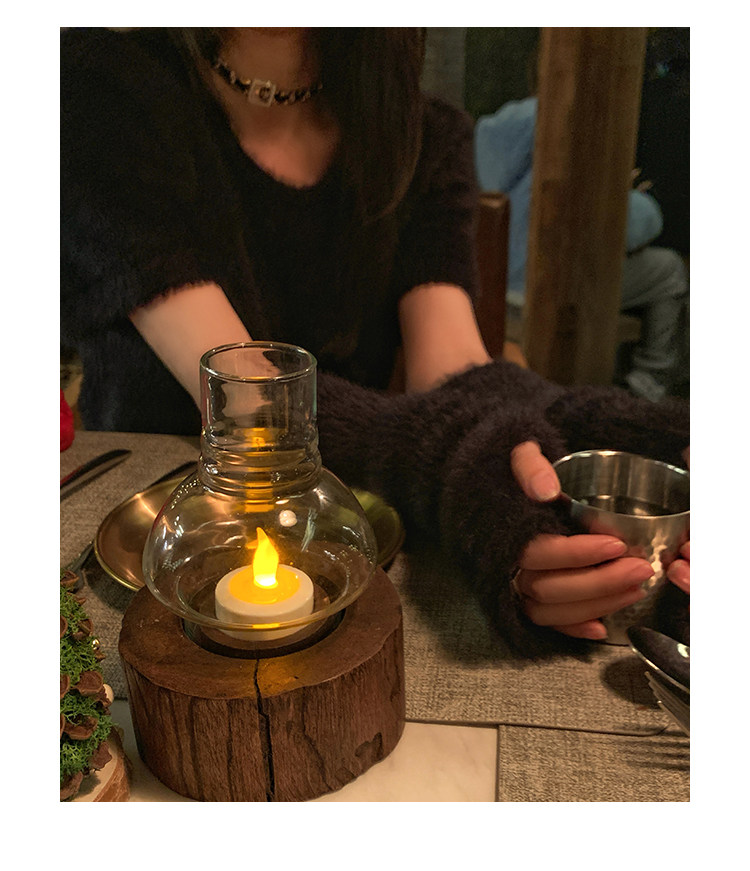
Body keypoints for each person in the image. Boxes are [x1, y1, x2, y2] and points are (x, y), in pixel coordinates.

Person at [61, 27, 689, 654]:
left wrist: (640, 436)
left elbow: (456, 368)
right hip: (161, 528)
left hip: (342, 524)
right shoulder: (99, 87)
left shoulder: (422, 130)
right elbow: (244, 392)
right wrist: (458, 469)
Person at [474, 94, 689, 403]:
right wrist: (633, 195)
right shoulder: (589, 125)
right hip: (549, 290)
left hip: (493, 284)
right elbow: (631, 229)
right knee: (668, 269)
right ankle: (647, 386)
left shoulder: (502, 126)